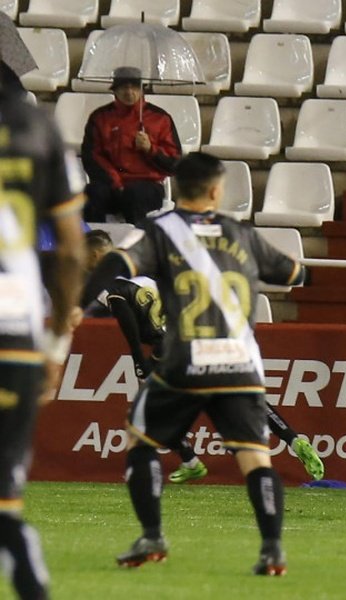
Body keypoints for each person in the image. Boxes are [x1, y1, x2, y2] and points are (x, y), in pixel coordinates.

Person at [81, 152, 307, 575]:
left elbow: (116, 263)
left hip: (185, 359)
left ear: (174, 188)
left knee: (141, 439)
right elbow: (295, 274)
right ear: (217, 190)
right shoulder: (242, 233)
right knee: (256, 458)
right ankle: (272, 549)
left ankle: (152, 534)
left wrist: (77, 305)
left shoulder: (163, 230)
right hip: (240, 362)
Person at [83, 232, 324, 484]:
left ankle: (190, 461)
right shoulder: (141, 269)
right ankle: (295, 440)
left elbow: (128, 323)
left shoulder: (109, 285)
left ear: (95, 256)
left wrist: (139, 363)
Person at [0, 77, 86, 599]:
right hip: (16, 327)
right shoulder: (39, 128)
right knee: (4, 500)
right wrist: (56, 344)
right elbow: (73, 251)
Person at [81, 66, 181, 224]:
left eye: (134, 87)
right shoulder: (100, 117)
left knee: (135, 196)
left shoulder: (160, 118)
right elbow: (92, 157)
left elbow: (175, 163)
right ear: (115, 90)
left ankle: (137, 243)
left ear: (142, 90)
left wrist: (151, 149)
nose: (129, 92)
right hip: (110, 184)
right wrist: (115, 182)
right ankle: (93, 242)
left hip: (147, 186)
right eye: (123, 88)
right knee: (91, 193)